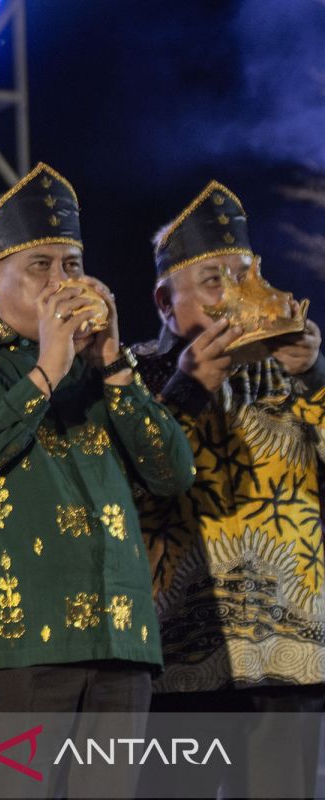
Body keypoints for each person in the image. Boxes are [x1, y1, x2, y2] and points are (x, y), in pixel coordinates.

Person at [0, 163, 195, 798]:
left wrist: (112, 363)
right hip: (18, 648)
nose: (64, 282)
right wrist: (46, 371)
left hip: (121, 642)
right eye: (41, 267)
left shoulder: (100, 365)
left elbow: (173, 472)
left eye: (73, 264)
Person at [131, 181, 325, 797]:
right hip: (176, 659)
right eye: (214, 280)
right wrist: (184, 392)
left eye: (245, 276)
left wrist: (316, 377)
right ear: (166, 301)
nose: (236, 295)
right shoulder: (129, 375)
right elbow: (125, 493)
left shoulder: (289, 372)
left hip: (285, 655)